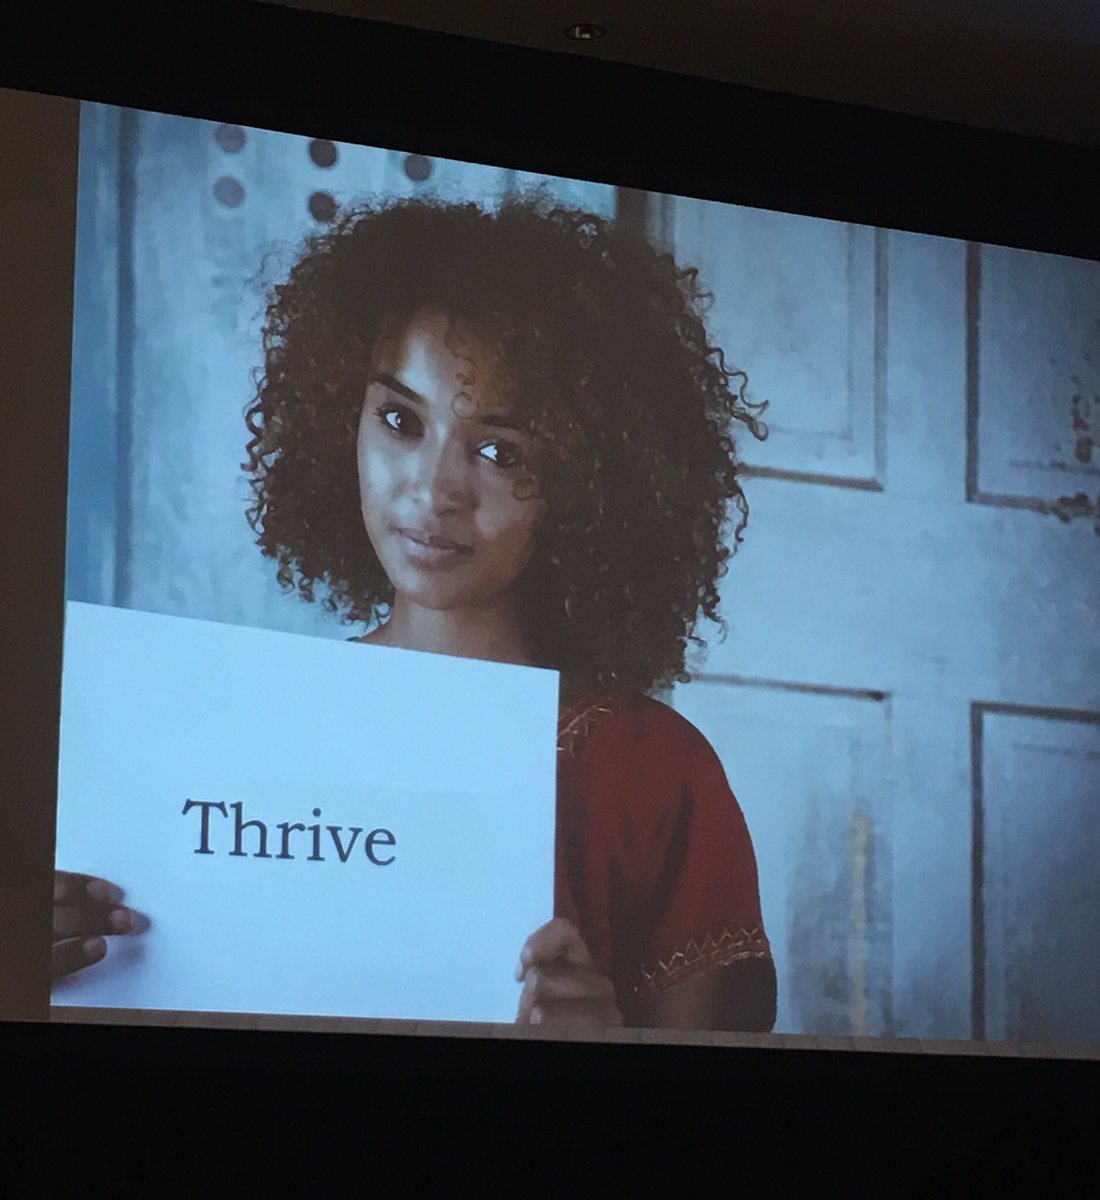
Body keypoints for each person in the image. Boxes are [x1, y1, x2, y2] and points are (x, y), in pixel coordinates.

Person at [53, 194, 776, 1033]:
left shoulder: (653, 769)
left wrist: (606, 1055)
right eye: (400, 420)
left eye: (501, 451)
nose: (434, 491)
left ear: (588, 484)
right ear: (340, 423)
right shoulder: (237, 734)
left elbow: (731, 1123)